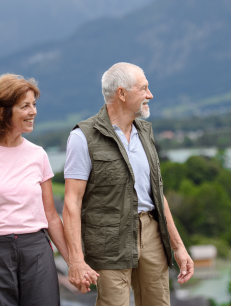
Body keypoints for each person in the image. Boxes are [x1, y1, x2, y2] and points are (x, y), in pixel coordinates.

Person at [63, 62, 194, 306]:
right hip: (108, 241)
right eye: (143, 88)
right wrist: (77, 260)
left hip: (152, 233)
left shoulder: (145, 132)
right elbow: (71, 202)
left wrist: (179, 248)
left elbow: (158, 194)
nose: (150, 95)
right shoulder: (83, 137)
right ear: (122, 94)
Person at [0, 74, 84, 305]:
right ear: (3, 111)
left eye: (34, 104)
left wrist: (74, 263)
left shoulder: (38, 155)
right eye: (25, 106)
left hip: (36, 251)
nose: (33, 111)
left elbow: (51, 217)